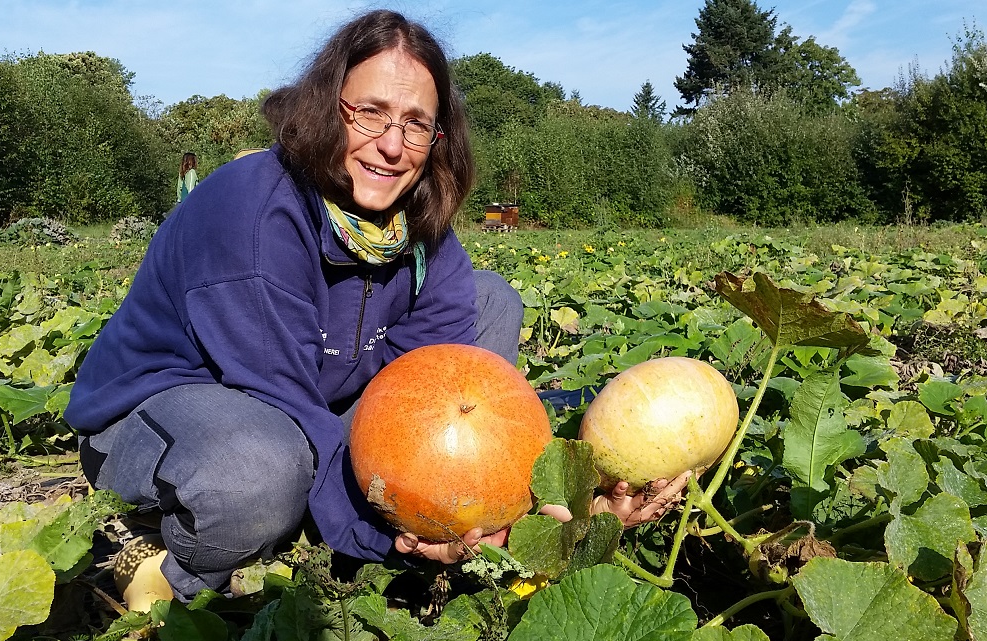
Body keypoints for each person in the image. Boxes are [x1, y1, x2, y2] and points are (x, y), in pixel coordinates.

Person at [65, 9, 684, 601]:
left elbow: (430, 398)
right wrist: (396, 533)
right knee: (256, 474)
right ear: (324, 110)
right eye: (369, 114)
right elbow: (284, 398)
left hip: (310, 394)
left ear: (437, 138)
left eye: (416, 123)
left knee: (489, 302)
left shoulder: (415, 223)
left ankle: (333, 503)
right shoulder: (253, 214)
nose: (393, 145)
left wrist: (550, 504)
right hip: (171, 407)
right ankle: (176, 576)